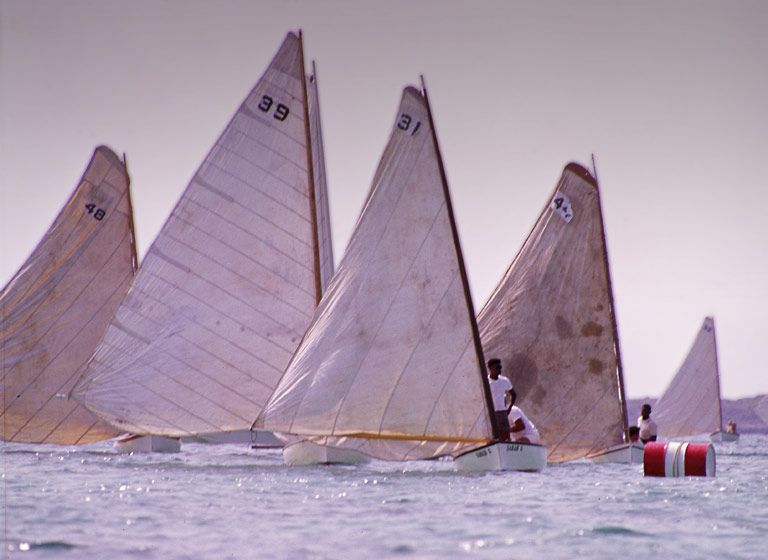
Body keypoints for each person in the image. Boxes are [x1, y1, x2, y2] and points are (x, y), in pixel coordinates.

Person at [487, 358, 513, 441]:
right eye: (497, 367)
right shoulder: (485, 382)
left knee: (506, 437)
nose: (500, 369)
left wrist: (509, 408)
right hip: (490, 413)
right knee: (494, 437)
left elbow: (514, 394)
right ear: (490, 369)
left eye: (500, 367)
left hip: (502, 412)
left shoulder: (504, 380)